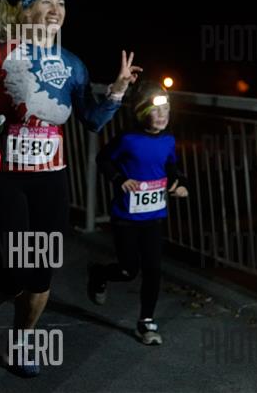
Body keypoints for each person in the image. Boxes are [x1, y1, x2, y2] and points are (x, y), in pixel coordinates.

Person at [0, 0, 141, 377]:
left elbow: (92, 120)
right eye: (45, 1)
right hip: (6, 177)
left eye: (60, 4)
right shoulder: (2, 55)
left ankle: (21, 342)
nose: (55, 10)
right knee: (15, 271)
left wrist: (116, 91)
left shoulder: (74, 65)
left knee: (41, 273)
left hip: (51, 179)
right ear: (26, 10)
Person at [89, 80, 188, 345]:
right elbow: (103, 159)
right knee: (128, 270)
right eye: (155, 110)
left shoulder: (168, 140)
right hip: (126, 218)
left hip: (154, 218)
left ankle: (146, 322)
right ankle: (100, 274)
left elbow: (172, 168)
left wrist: (179, 184)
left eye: (166, 110)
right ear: (142, 113)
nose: (162, 116)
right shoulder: (128, 140)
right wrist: (119, 178)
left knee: (153, 269)